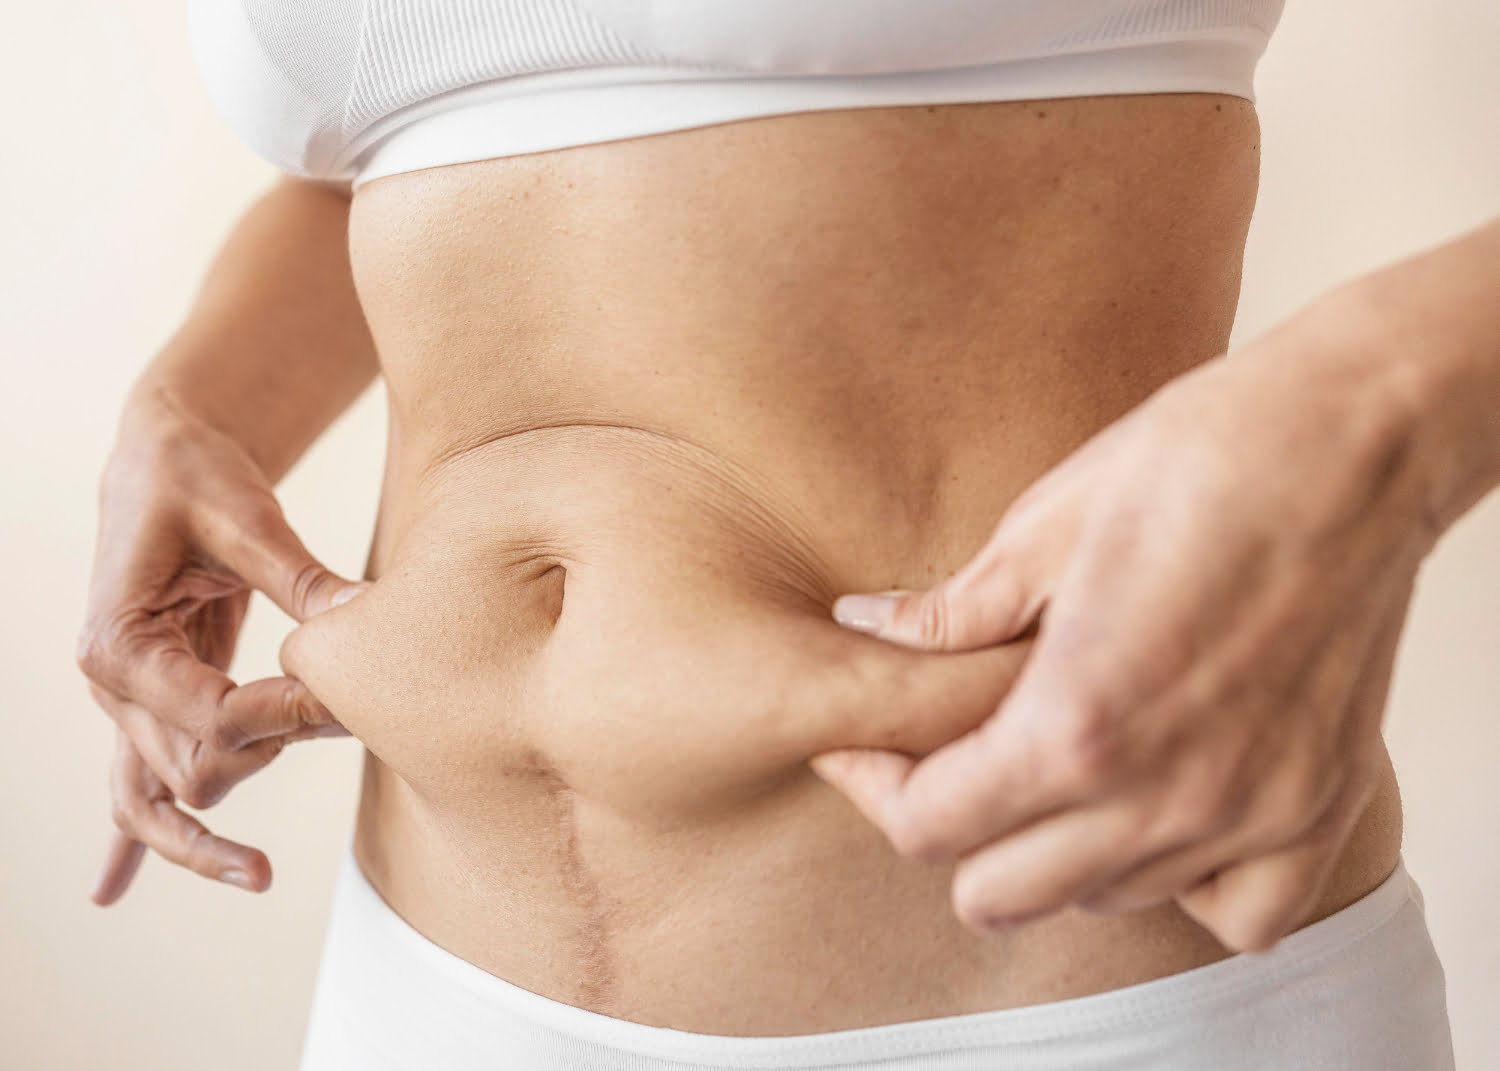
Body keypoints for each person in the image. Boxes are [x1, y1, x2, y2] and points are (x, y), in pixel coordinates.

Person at [77, 1, 1487, 1067]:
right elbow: (410, 138)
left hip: (1067, 992)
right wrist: (194, 396)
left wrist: (1385, 403)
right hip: (429, 984)